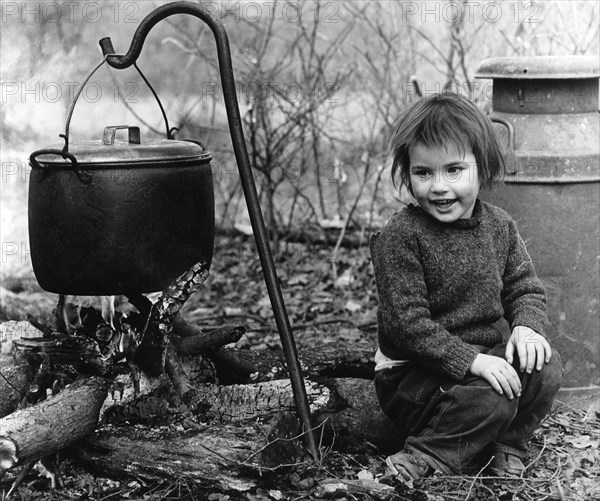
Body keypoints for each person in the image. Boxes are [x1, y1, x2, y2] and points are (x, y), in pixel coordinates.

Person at [370, 92, 563, 481]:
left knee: (546, 366)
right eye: (424, 173)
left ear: (483, 167)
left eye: (454, 170)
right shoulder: (401, 236)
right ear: (408, 173)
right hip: (413, 376)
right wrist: (473, 362)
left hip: (477, 363)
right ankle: (425, 454)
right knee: (492, 396)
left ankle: (505, 444)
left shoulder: (499, 226)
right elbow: (407, 327)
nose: (439, 187)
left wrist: (527, 327)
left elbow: (524, 288)